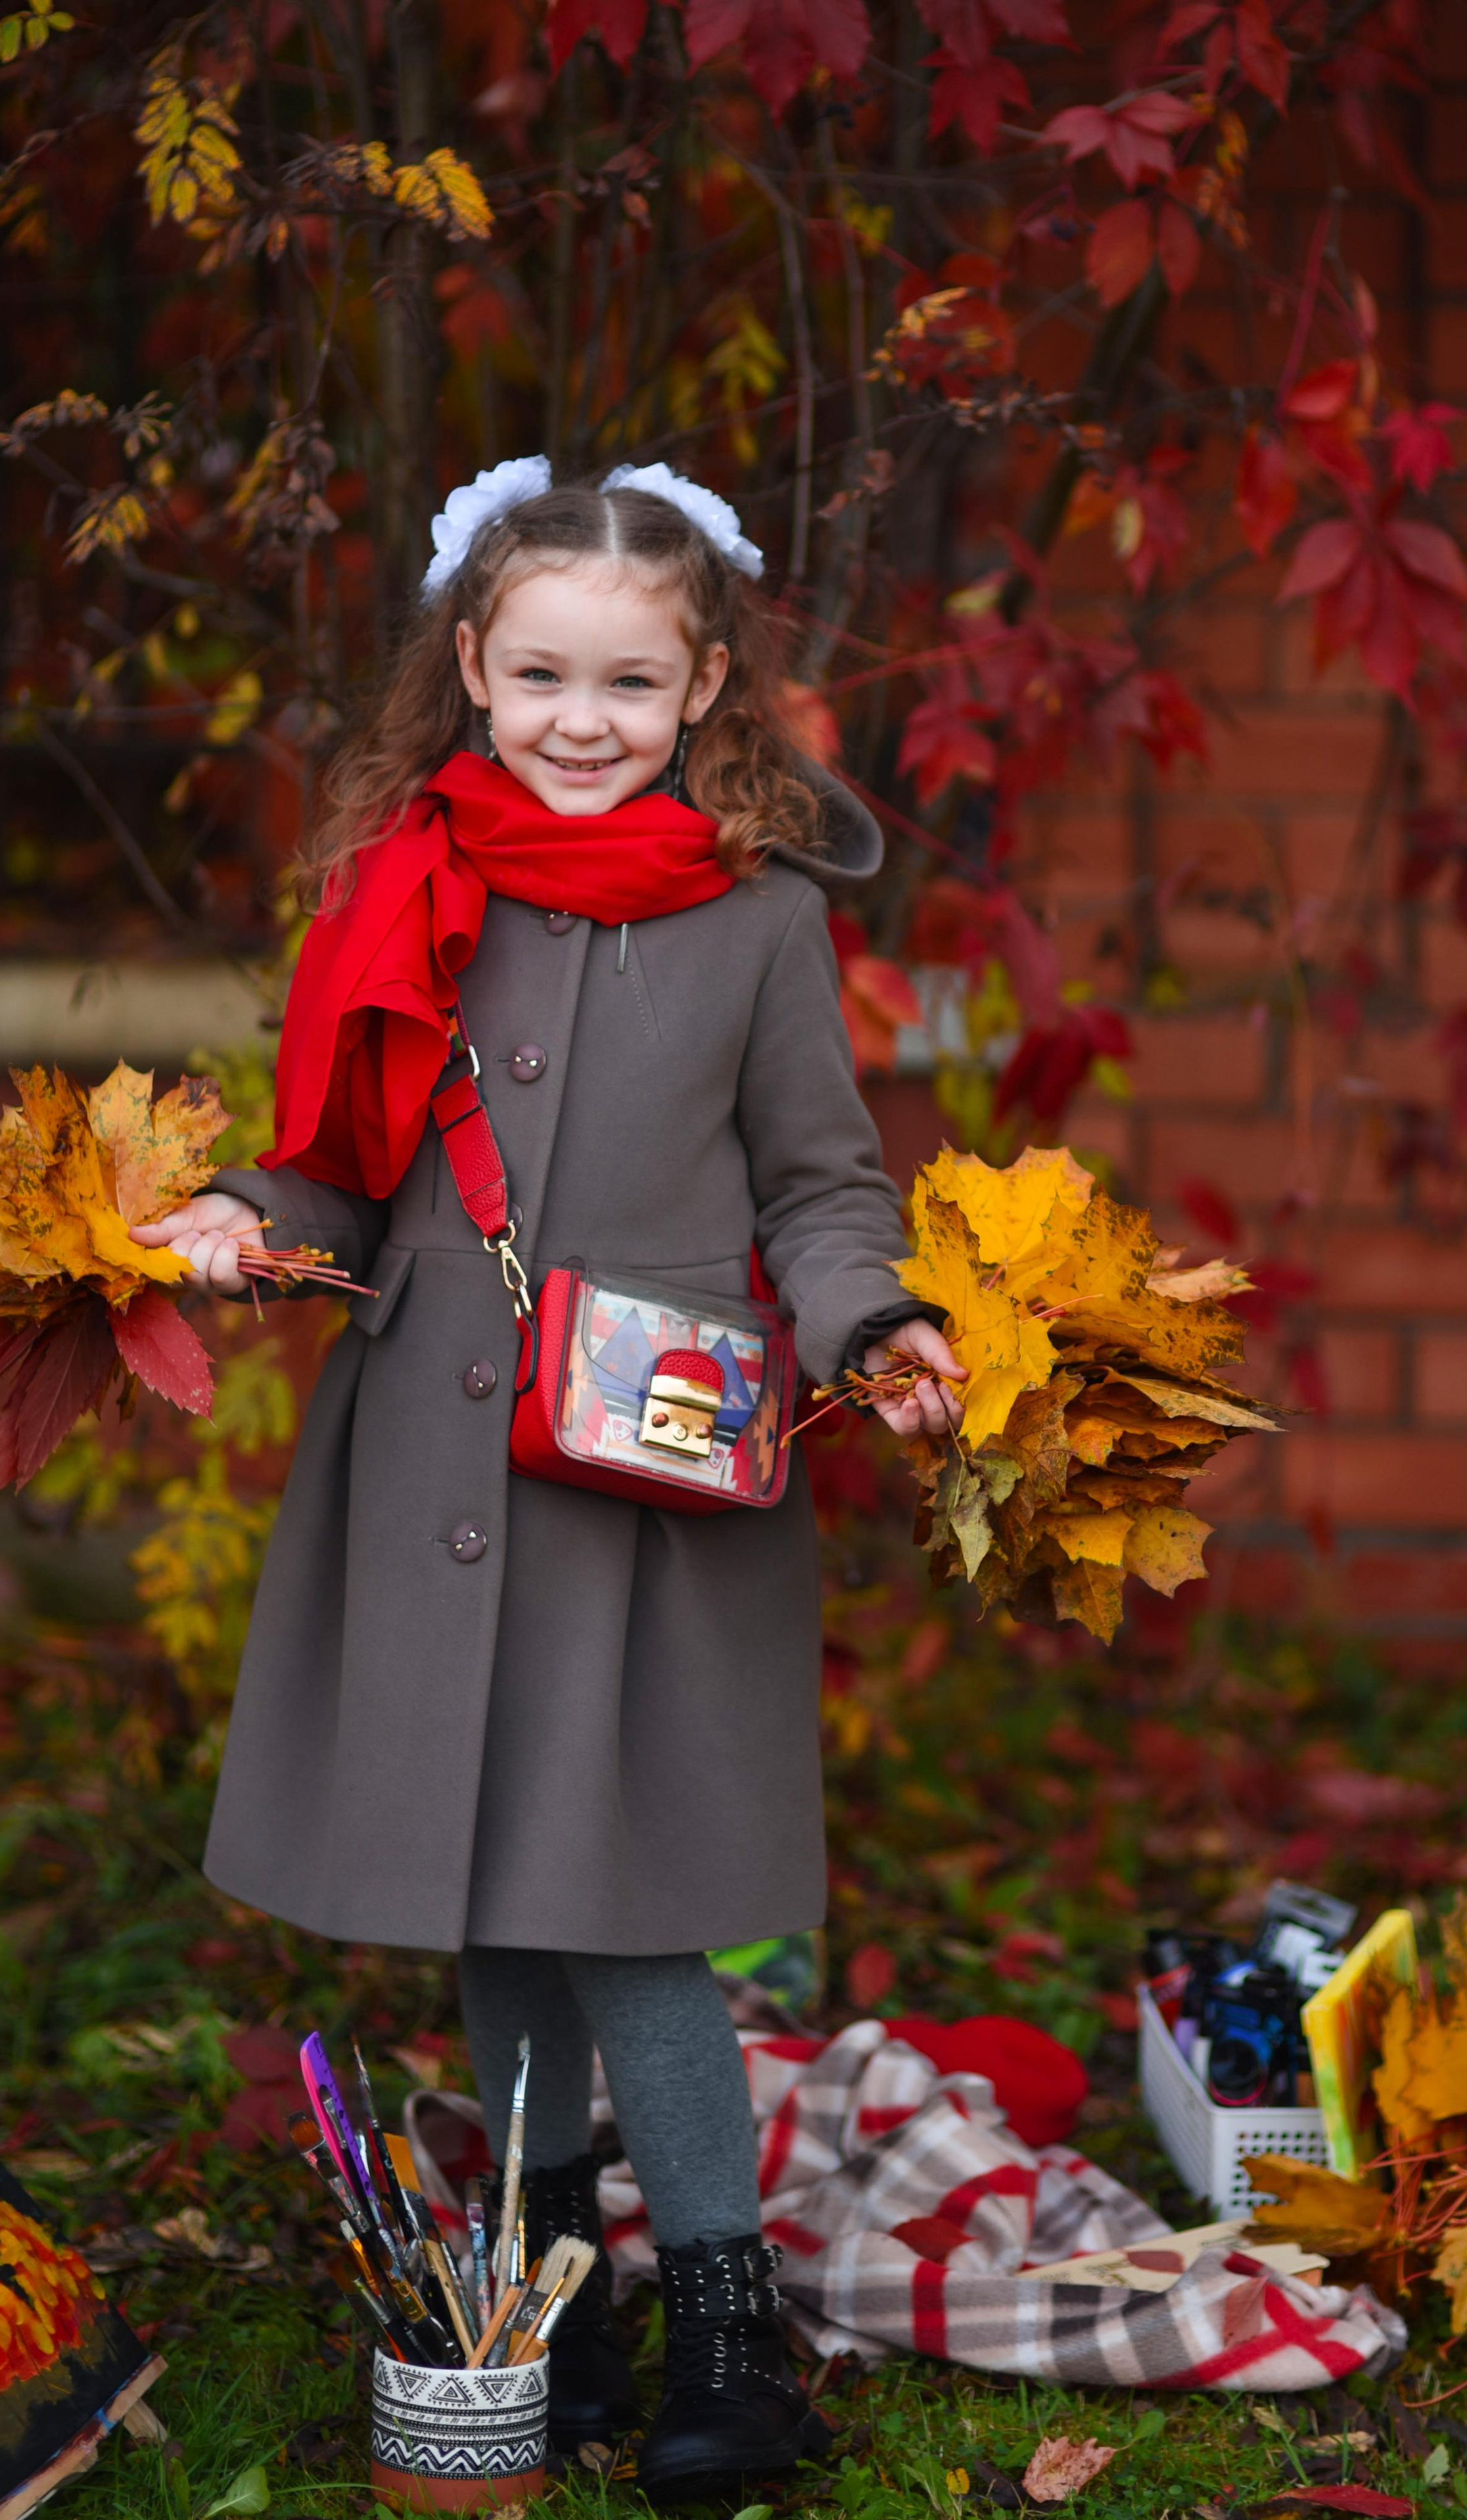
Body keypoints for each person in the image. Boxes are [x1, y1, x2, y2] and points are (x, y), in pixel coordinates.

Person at [135, 459, 963, 2498]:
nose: (579, 719)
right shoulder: (399, 886)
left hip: (650, 1468)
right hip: (435, 1447)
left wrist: (872, 1325)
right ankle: (552, 2294)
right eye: (539, 675)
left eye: (627, 680)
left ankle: (726, 2331)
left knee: (636, 1902)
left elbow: (821, 1180)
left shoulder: (760, 921)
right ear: (473, 670)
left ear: (702, 691)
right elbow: (335, 1143)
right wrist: (245, 1206)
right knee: (499, 1893)